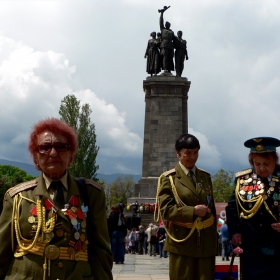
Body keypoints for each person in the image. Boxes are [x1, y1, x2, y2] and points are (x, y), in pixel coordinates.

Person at [0, 118, 113, 280]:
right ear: (36, 158)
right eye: (45, 147)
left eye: (61, 147)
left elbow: (100, 250)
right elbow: (2, 251)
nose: (53, 153)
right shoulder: (18, 197)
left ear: (71, 155)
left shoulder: (91, 193)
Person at [156, 133, 217, 280]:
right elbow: (165, 210)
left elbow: (212, 209)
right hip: (182, 241)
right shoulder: (168, 178)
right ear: (178, 154)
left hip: (205, 242)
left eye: (195, 152)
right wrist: (193, 211)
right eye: (188, 153)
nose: (192, 157)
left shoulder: (205, 177)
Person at [226, 137, 280, 280]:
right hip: (251, 247)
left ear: (275, 160)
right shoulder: (242, 179)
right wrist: (235, 231)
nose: (262, 168)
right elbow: (232, 208)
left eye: (266, 163)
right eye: (257, 164)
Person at [159, 7, 176, 74]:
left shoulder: (171, 32)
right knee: (165, 57)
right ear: (165, 25)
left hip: (170, 45)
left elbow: (175, 38)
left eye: (169, 25)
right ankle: (165, 69)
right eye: (167, 24)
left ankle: (169, 69)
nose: (168, 25)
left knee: (170, 58)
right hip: (164, 44)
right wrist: (162, 14)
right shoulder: (163, 29)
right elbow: (161, 22)